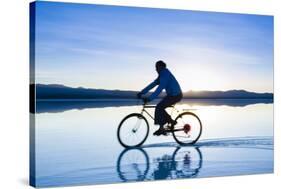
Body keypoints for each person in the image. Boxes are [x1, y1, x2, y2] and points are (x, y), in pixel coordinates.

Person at [137, 60, 183, 136]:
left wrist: (150, 98)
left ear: (161, 67)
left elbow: (159, 89)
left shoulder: (165, 75)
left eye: (157, 67)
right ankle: (169, 122)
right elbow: (153, 84)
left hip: (176, 95)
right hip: (171, 95)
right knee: (160, 107)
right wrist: (142, 92)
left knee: (159, 107)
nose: (156, 69)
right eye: (156, 67)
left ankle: (163, 128)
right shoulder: (162, 75)